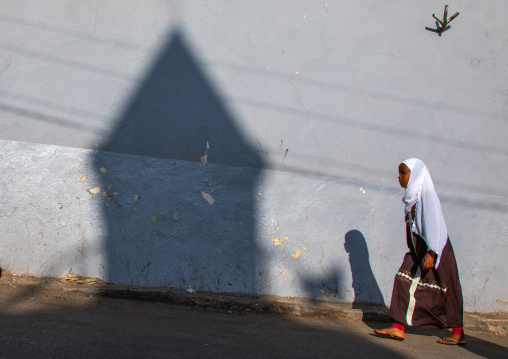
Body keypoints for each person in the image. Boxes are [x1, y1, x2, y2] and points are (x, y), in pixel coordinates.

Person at [374, 158, 465, 345]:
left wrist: (432, 252)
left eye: (403, 173)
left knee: (447, 287)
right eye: (399, 173)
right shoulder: (411, 196)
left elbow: (435, 224)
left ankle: (458, 332)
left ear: (414, 175)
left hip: (435, 249)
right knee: (402, 280)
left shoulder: (426, 196)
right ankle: (398, 327)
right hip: (417, 251)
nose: (399, 177)